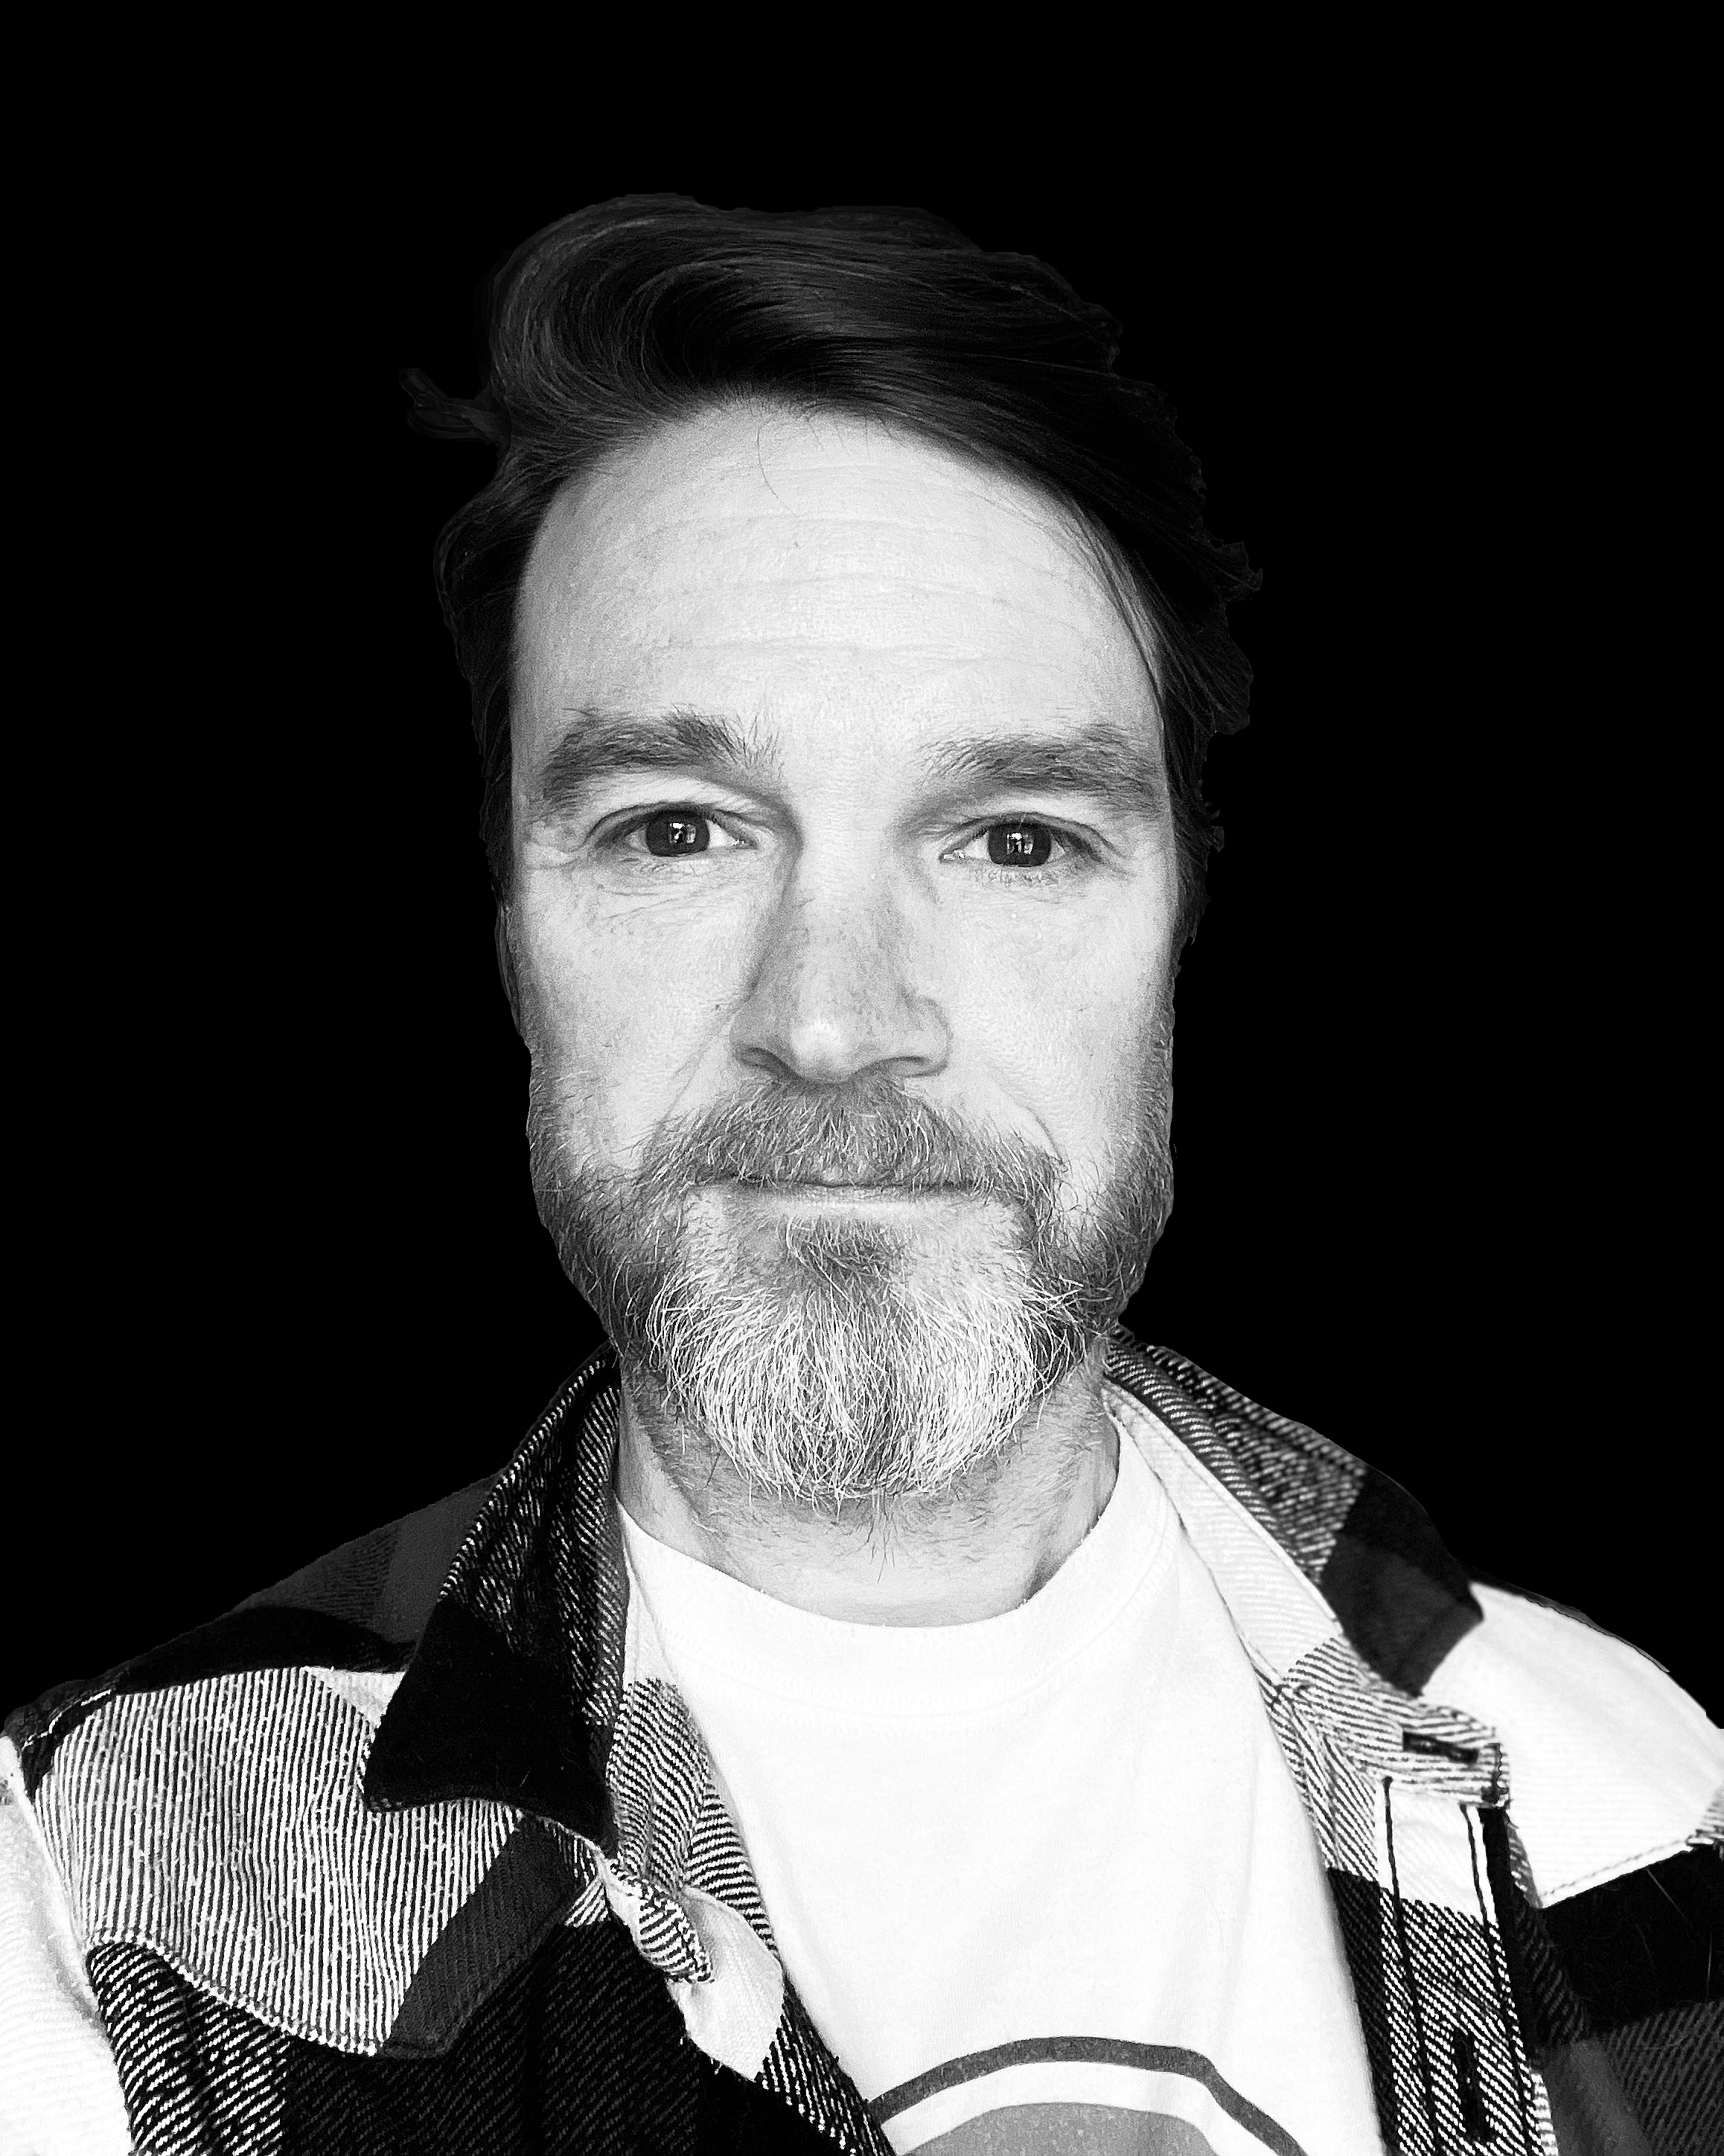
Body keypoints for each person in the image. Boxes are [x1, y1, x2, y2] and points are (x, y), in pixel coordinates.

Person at [1, 196, 1717, 2156]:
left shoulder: (1632, 1802)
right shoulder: (88, 1909)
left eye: (1012, 838)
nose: (830, 1021)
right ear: (511, 931)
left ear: (1176, 920)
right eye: (679, 830)